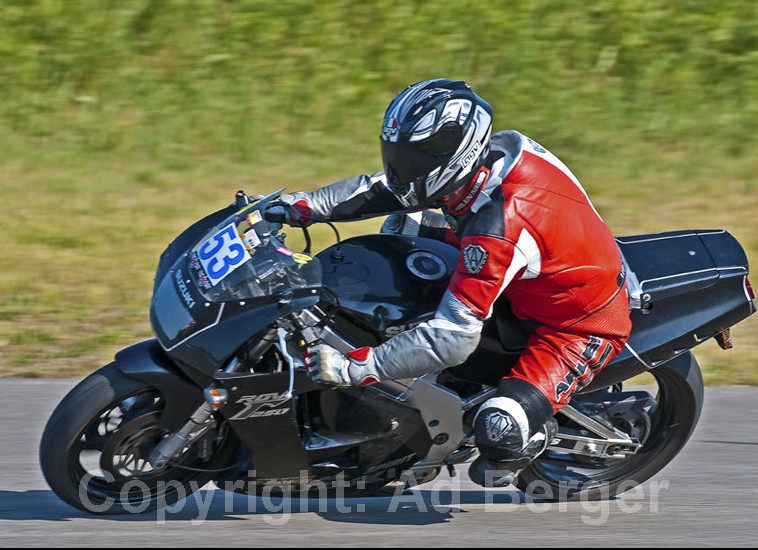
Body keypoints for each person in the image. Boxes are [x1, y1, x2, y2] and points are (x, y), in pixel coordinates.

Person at [266, 78, 632, 488]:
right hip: (529, 271)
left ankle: (527, 438)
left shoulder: (499, 225)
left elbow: (451, 339)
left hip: (575, 323)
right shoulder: (485, 162)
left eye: (415, 156)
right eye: (399, 153)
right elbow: (384, 189)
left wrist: (356, 368)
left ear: (454, 152)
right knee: (399, 232)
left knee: (497, 429)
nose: (402, 167)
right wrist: (303, 206)